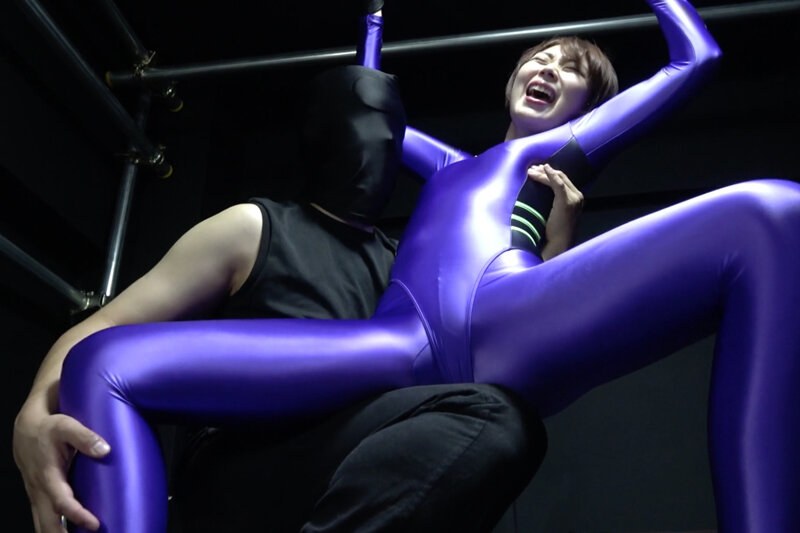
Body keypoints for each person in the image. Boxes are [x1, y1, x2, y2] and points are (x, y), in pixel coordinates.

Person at [34, 0, 800, 532]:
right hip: (395, 344)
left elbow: (696, 57)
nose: (548, 65)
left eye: (571, 69)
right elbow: (370, 106)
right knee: (103, 360)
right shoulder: (450, 167)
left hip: (506, 314)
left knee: (772, 211)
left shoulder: (561, 150)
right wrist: (372, 24)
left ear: (589, 107)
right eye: (540, 56)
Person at [12, 6, 551, 533]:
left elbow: (498, 349)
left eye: (391, 135)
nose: (378, 145)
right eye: (361, 124)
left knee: (497, 422)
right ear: (321, 133)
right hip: (245, 465)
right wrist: (33, 412)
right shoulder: (253, 227)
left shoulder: (404, 264)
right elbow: (104, 330)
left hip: (354, 464)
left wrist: (549, 240)